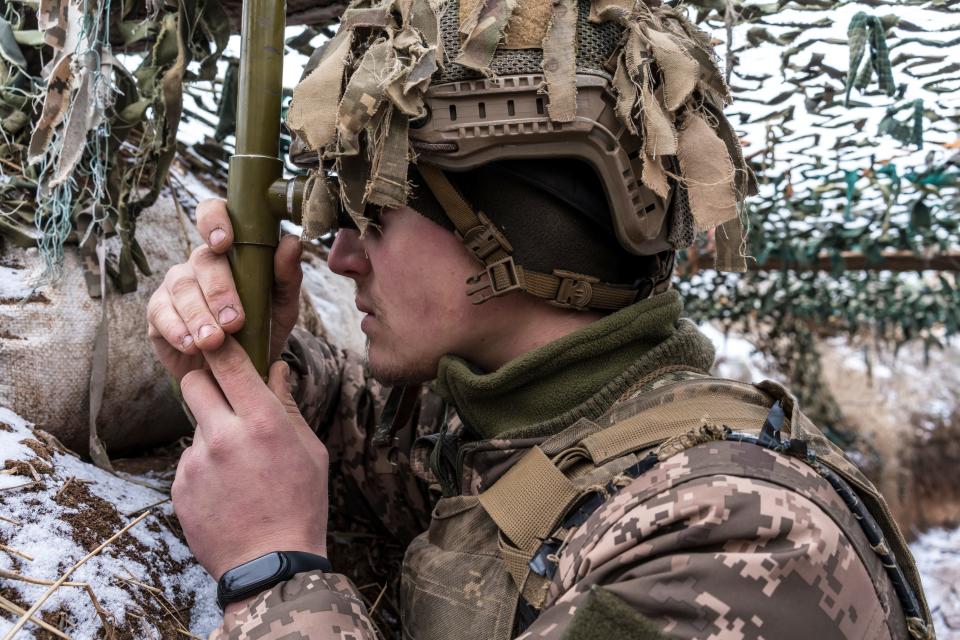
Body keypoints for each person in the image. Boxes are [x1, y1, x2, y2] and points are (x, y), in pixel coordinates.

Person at [147, 0, 933, 638]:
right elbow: (372, 443)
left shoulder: (735, 541)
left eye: (374, 214)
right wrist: (248, 353)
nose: (342, 255)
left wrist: (274, 570)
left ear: (510, 237)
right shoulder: (529, 434)